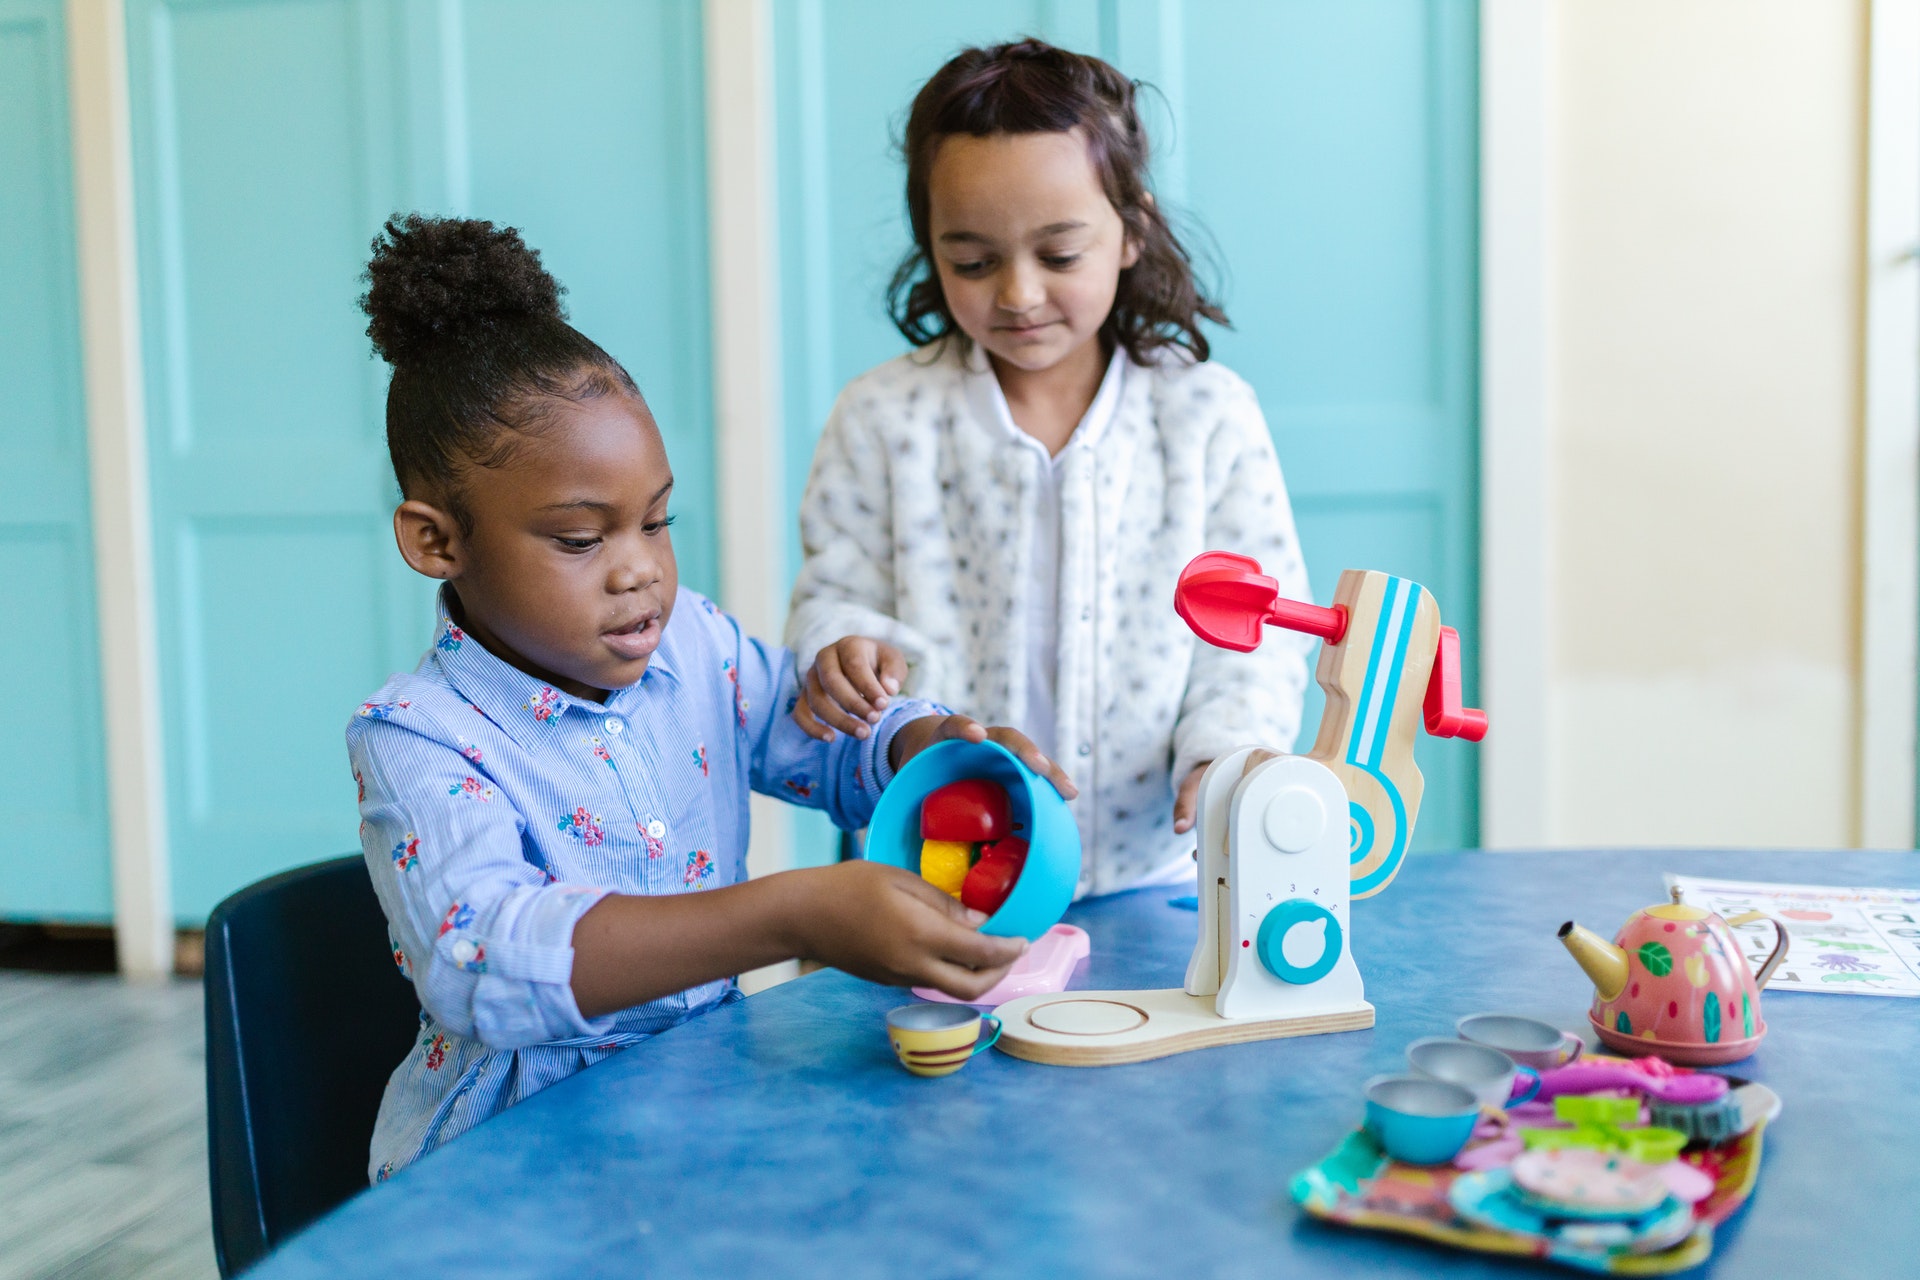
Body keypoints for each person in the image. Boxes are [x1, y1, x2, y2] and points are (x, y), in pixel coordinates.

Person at [348, 214, 1072, 1180]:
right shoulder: (416, 738)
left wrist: (926, 745)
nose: (640, 570)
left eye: (657, 521)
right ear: (437, 542)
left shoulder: (692, 640)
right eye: (580, 539)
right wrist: (791, 916)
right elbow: (481, 959)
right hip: (510, 1171)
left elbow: (820, 741)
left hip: (697, 1113)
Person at [784, 40, 1311, 897]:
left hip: (1161, 876)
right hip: (938, 872)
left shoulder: (1207, 414)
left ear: (1131, 230)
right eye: (973, 261)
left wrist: (1226, 750)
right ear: (931, 248)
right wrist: (838, 651)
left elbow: (1259, 629)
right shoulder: (882, 417)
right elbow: (836, 597)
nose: (1019, 294)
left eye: (1059, 255)